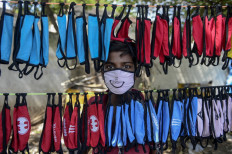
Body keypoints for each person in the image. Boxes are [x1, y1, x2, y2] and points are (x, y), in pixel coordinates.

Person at [87, 40, 152, 154]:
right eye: (110, 67)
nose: (118, 74)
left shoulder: (147, 107)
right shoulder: (93, 105)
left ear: (136, 72)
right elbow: (83, 144)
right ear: (103, 72)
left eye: (126, 66)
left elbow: (155, 147)